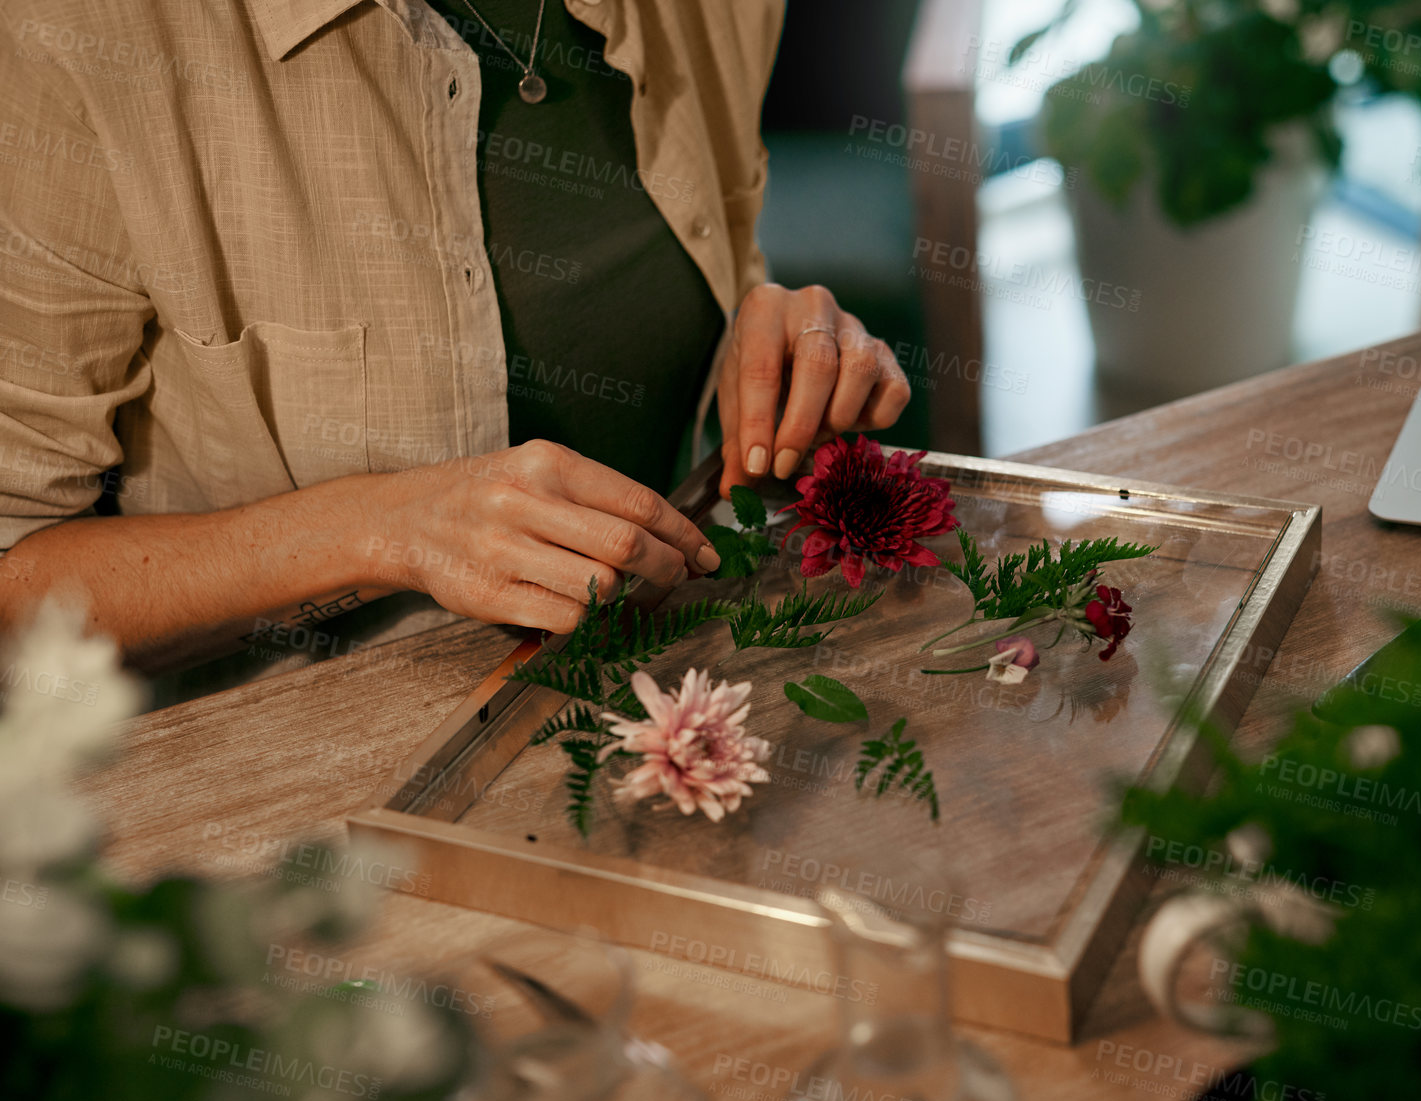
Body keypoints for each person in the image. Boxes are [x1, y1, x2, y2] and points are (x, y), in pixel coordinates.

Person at [0, 0, 910, 676]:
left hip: (662, 685)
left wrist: (774, 349)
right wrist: (379, 528)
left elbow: (694, 275)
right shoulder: (77, 34)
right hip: (282, 811)